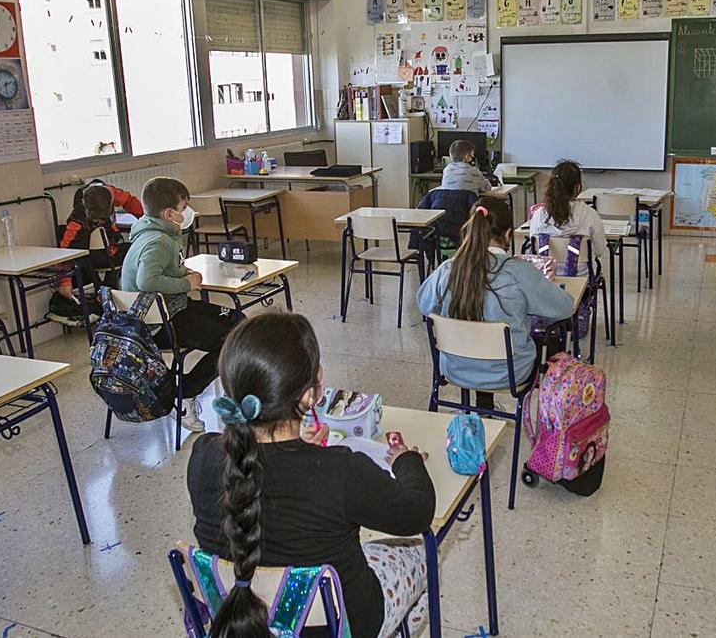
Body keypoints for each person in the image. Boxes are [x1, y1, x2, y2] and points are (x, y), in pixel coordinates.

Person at [187, 313, 435, 638]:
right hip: (340, 625)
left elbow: (270, 484)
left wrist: (296, 448)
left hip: (238, 622)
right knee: (423, 552)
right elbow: (416, 514)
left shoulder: (203, 456)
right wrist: (407, 460)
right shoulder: (339, 470)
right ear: (309, 394)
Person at [416, 196, 576, 410]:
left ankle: (483, 407)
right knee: (545, 339)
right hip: (508, 374)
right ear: (508, 234)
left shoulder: (448, 269)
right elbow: (564, 308)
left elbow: (423, 303)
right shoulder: (519, 272)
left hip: (455, 368)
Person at [121, 177, 241, 433]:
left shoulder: (154, 231)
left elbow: (162, 269)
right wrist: (187, 283)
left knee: (237, 320)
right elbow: (147, 281)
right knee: (230, 343)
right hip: (157, 324)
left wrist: (181, 272)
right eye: (183, 207)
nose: (188, 213)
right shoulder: (158, 240)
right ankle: (183, 394)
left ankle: (237, 385)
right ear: (168, 213)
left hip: (174, 309)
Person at [48, 180, 144, 323]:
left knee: (139, 247)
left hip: (110, 250)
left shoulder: (110, 192)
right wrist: (65, 282)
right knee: (140, 249)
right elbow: (65, 252)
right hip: (95, 258)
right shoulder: (76, 222)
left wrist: (144, 219)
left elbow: (129, 201)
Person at [526, 160, 608, 266]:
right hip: (582, 277)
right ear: (577, 187)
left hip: (546, 278)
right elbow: (599, 250)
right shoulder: (590, 214)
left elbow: (534, 248)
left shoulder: (538, 215)